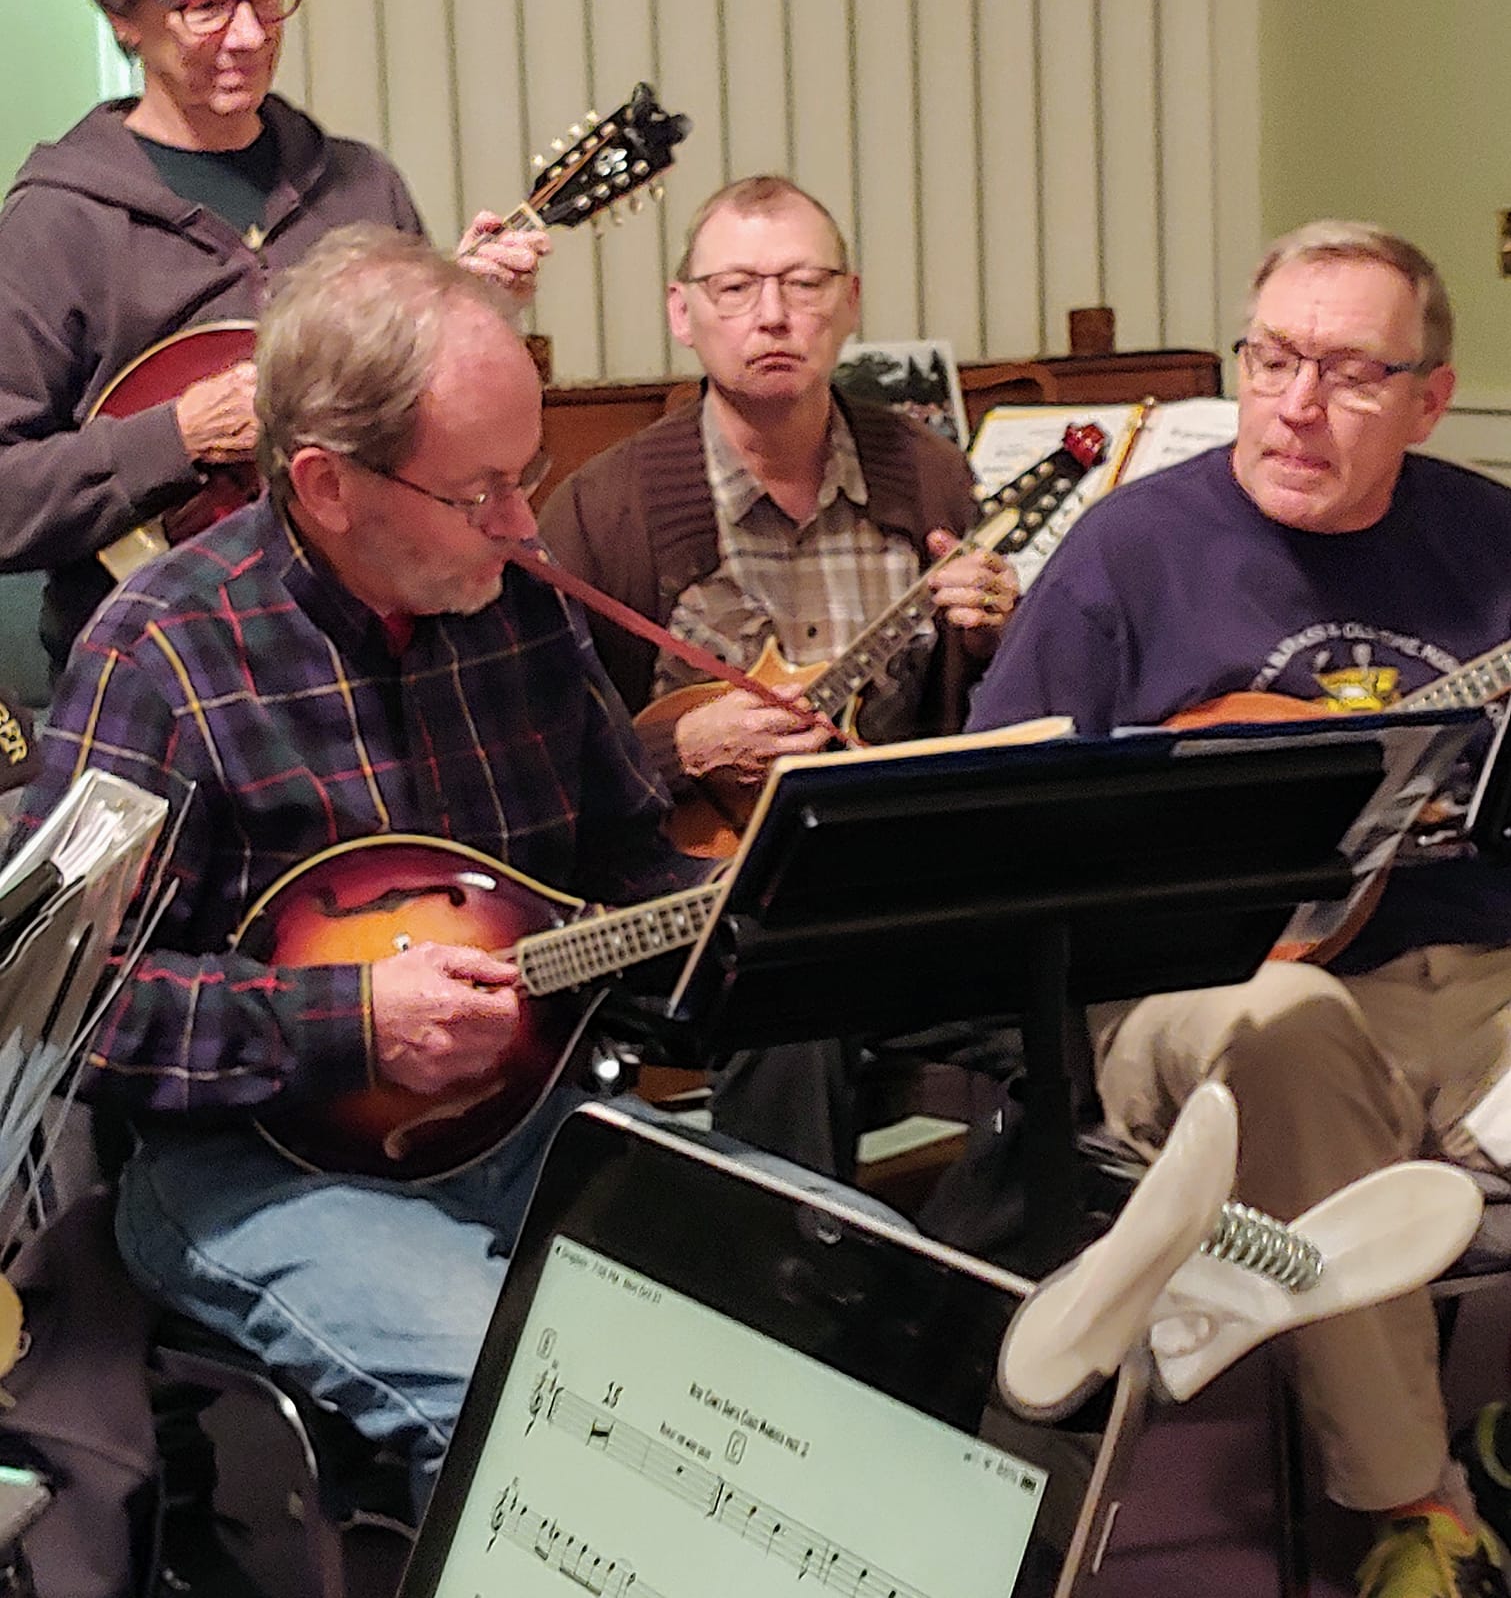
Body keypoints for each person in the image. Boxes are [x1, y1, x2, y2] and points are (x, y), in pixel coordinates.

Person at [8, 228, 695, 1524]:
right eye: (478, 487)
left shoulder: (516, 602)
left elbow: (631, 866)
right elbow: (59, 1002)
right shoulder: (156, 651)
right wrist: (350, 1019)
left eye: (529, 469)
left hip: (523, 1118)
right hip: (250, 1166)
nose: (523, 520)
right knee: (529, 1393)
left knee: (822, 1286)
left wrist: (747, 905)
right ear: (325, 484)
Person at [967, 220, 1511, 1598]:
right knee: (1288, 1024)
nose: (1293, 402)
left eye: (1344, 370)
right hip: (1203, 991)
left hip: (1483, 980)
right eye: (1269, 357)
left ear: (1427, 397)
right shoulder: (1129, 551)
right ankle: (1414, 1509)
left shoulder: (1487, 535)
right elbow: (989, 808)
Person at [538, 174, 1018, 1177]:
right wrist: (679, 746)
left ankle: (977, 1305)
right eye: (734, 288)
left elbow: (987, 727)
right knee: (789, 987)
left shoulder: (926, 475)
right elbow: (536, 764)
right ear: (681, 312)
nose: (772, 315)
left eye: (804, 284)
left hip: (895, 884)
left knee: (1063, 1008)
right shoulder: (605, 509)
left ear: (849, 302)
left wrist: (990, 641)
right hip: (696, 900)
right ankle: (782, 1285)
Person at [0, 0, 545, 678]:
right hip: (162, 674)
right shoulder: (58, 224)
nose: (250, 36)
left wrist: (464, 320)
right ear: (123, 16)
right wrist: (176, 435)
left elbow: (417, 459)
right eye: (204, 6)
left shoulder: (359, 187)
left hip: (368, 663)